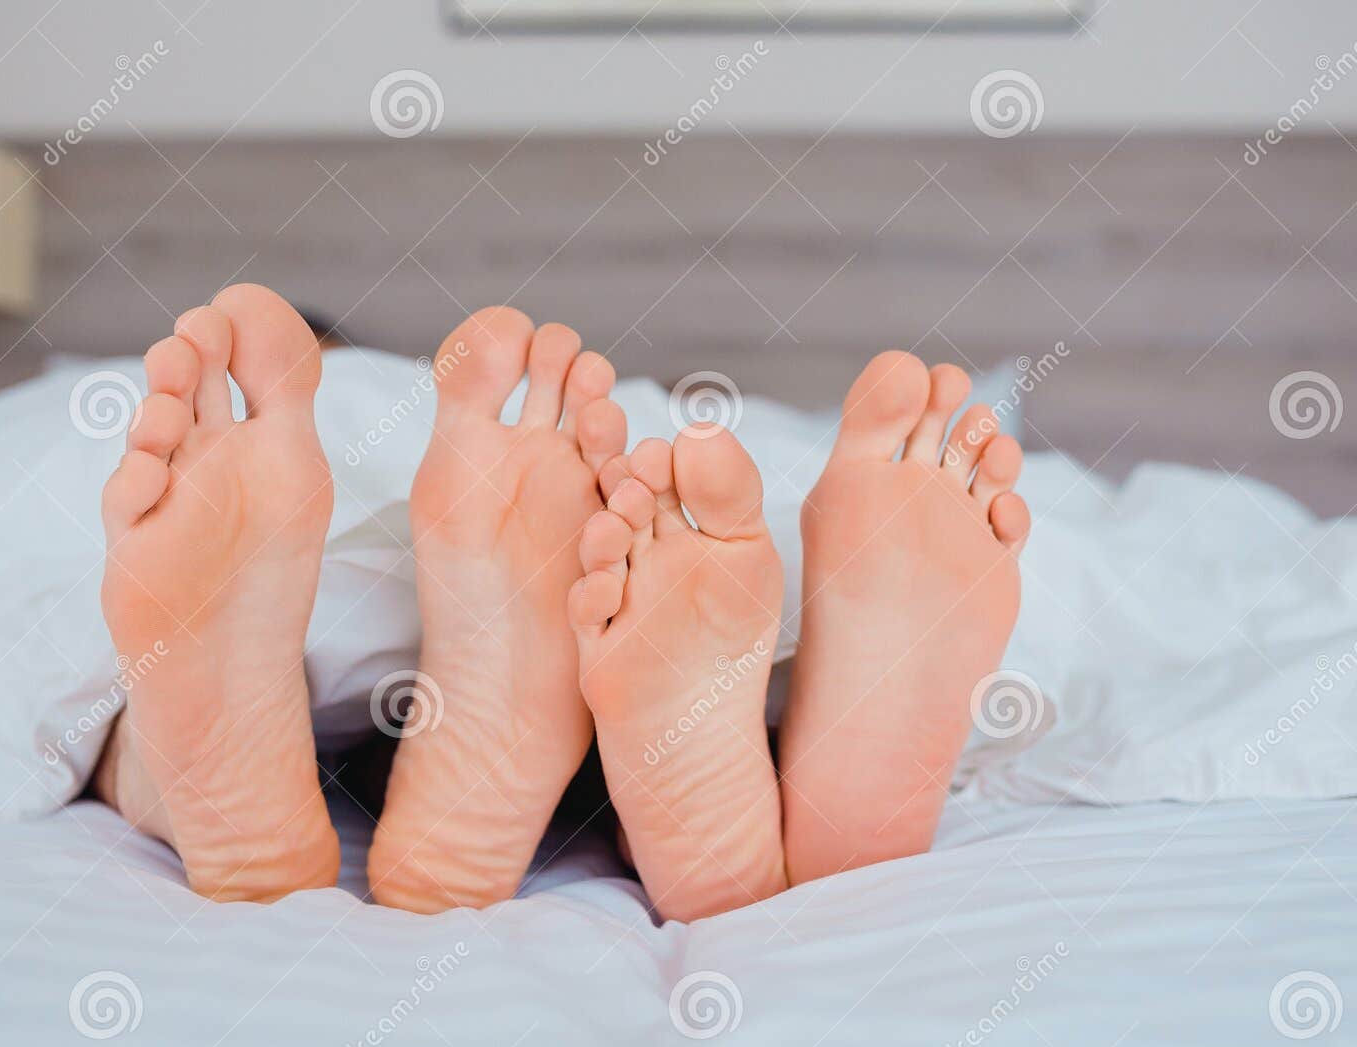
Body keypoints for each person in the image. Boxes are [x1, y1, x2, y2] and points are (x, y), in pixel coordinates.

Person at [92, 284, 1029, 921]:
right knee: (644, 663)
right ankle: (750, 828)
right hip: (602, 677)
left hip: (388, 713)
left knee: (126, 712)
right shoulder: (561, 438)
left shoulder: (196, 444)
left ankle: (187, 790)